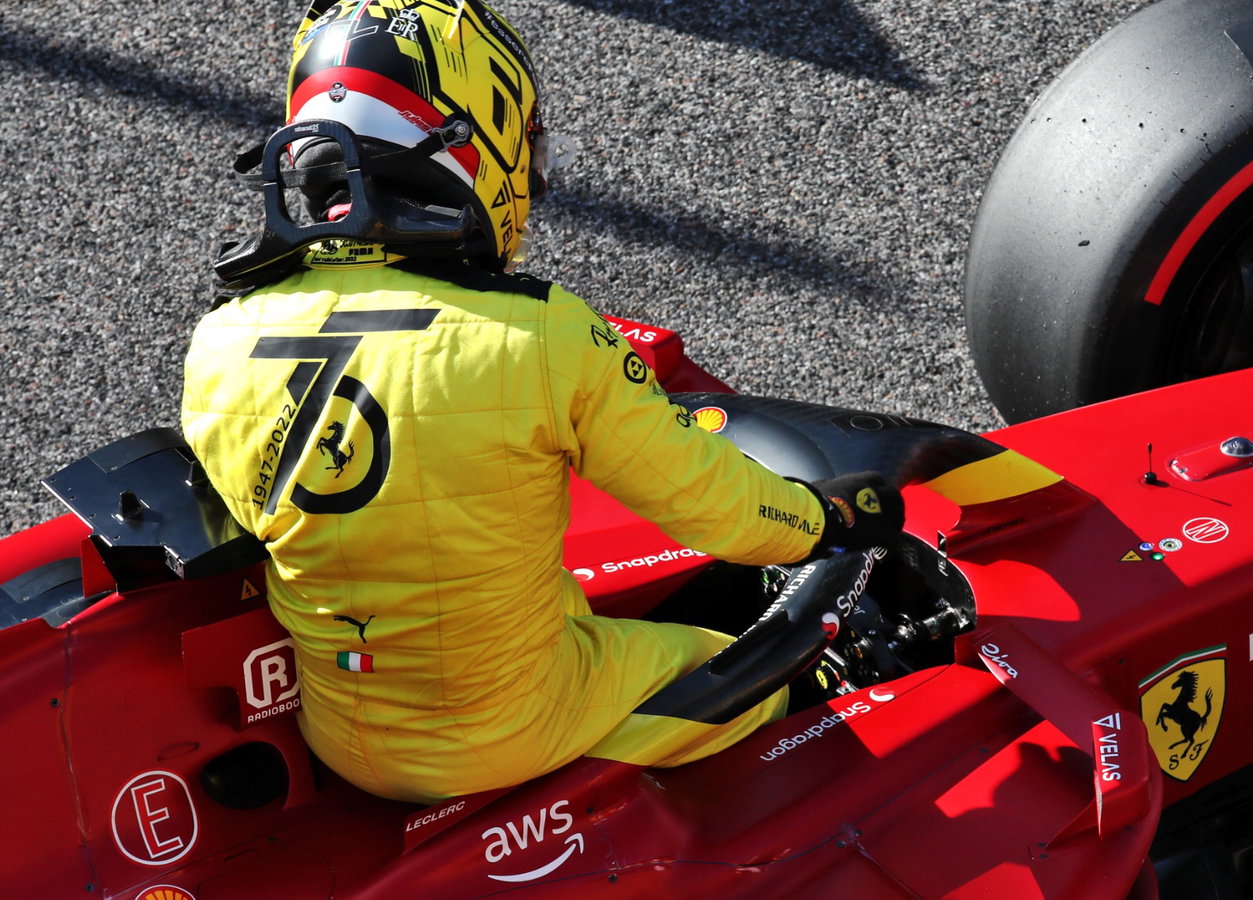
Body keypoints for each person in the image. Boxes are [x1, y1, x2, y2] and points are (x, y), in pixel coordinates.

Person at [181, 0, 902, 805]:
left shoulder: (221, 338)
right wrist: (829, 522)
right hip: (510, 727)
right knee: (745, 673)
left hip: (342, 739)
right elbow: (719, 515)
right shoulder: (535, 335)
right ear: (470, 139)